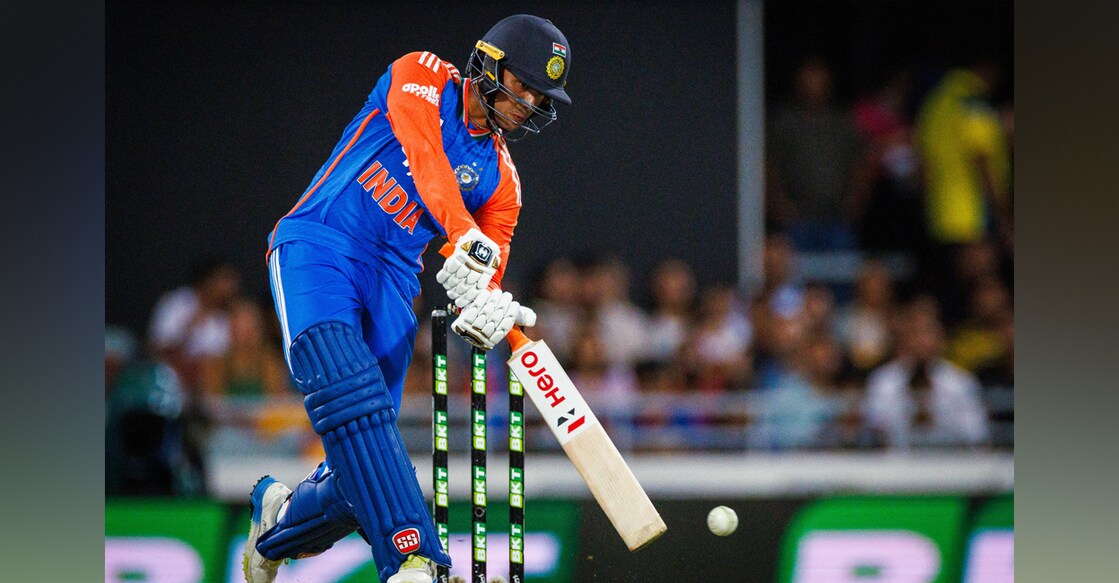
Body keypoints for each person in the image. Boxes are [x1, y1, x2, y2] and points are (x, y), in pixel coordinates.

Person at [242, 15, 572, 583]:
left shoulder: (503, 183)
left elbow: (483, 270)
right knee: (350, 392)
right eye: (524, 85)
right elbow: (425, 157)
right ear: (488, 65)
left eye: (541, 97)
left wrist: (486, 305)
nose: (529, 104)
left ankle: (276, 523)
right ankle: (417, 559)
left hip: (394, 284)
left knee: (361, 469)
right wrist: (463, 234)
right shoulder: (421, 74)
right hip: (320, 244)